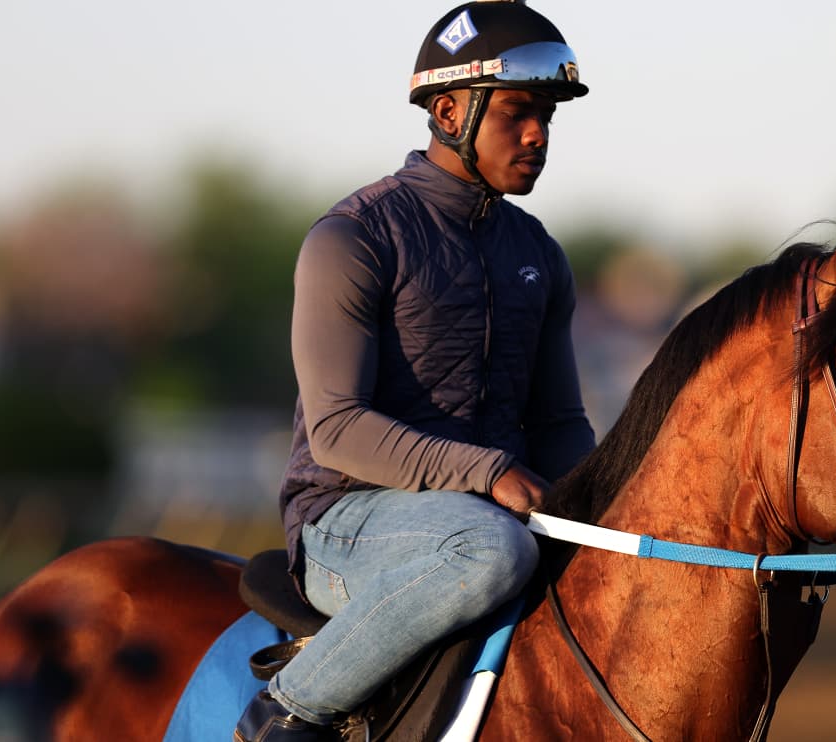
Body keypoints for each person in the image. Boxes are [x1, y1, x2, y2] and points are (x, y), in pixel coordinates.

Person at [234, 2, 597, 740]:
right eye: (519, 113)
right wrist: (489, 470)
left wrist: (616, 509)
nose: (538, 135)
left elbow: (560, 426)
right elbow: (334, 429)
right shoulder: (352, 237)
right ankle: (286, 713)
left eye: (548, 118)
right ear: (448, 109)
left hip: (486, 514)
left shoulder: (540, 254)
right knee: (491, 547)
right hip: (348, 520)